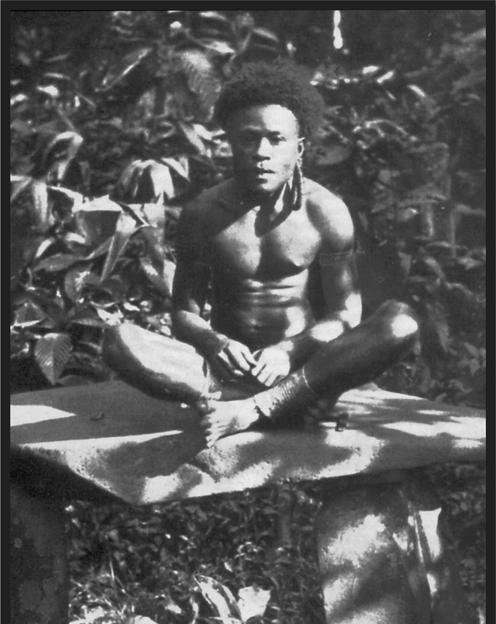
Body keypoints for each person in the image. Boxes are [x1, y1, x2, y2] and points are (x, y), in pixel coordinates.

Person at [103, 60, 419, 447]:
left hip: (303, 365)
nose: (260, 152)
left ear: (299, 148)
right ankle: (287, 405)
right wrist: (215, 344)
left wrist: (290, 351)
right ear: (230, 144)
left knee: (400, 324)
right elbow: (184, 312)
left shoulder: (326, 211)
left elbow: (345, 313)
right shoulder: (202, 214)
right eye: (248, 139)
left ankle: (259, 407)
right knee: (119, 340)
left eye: (275, 139)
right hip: (222, 372)